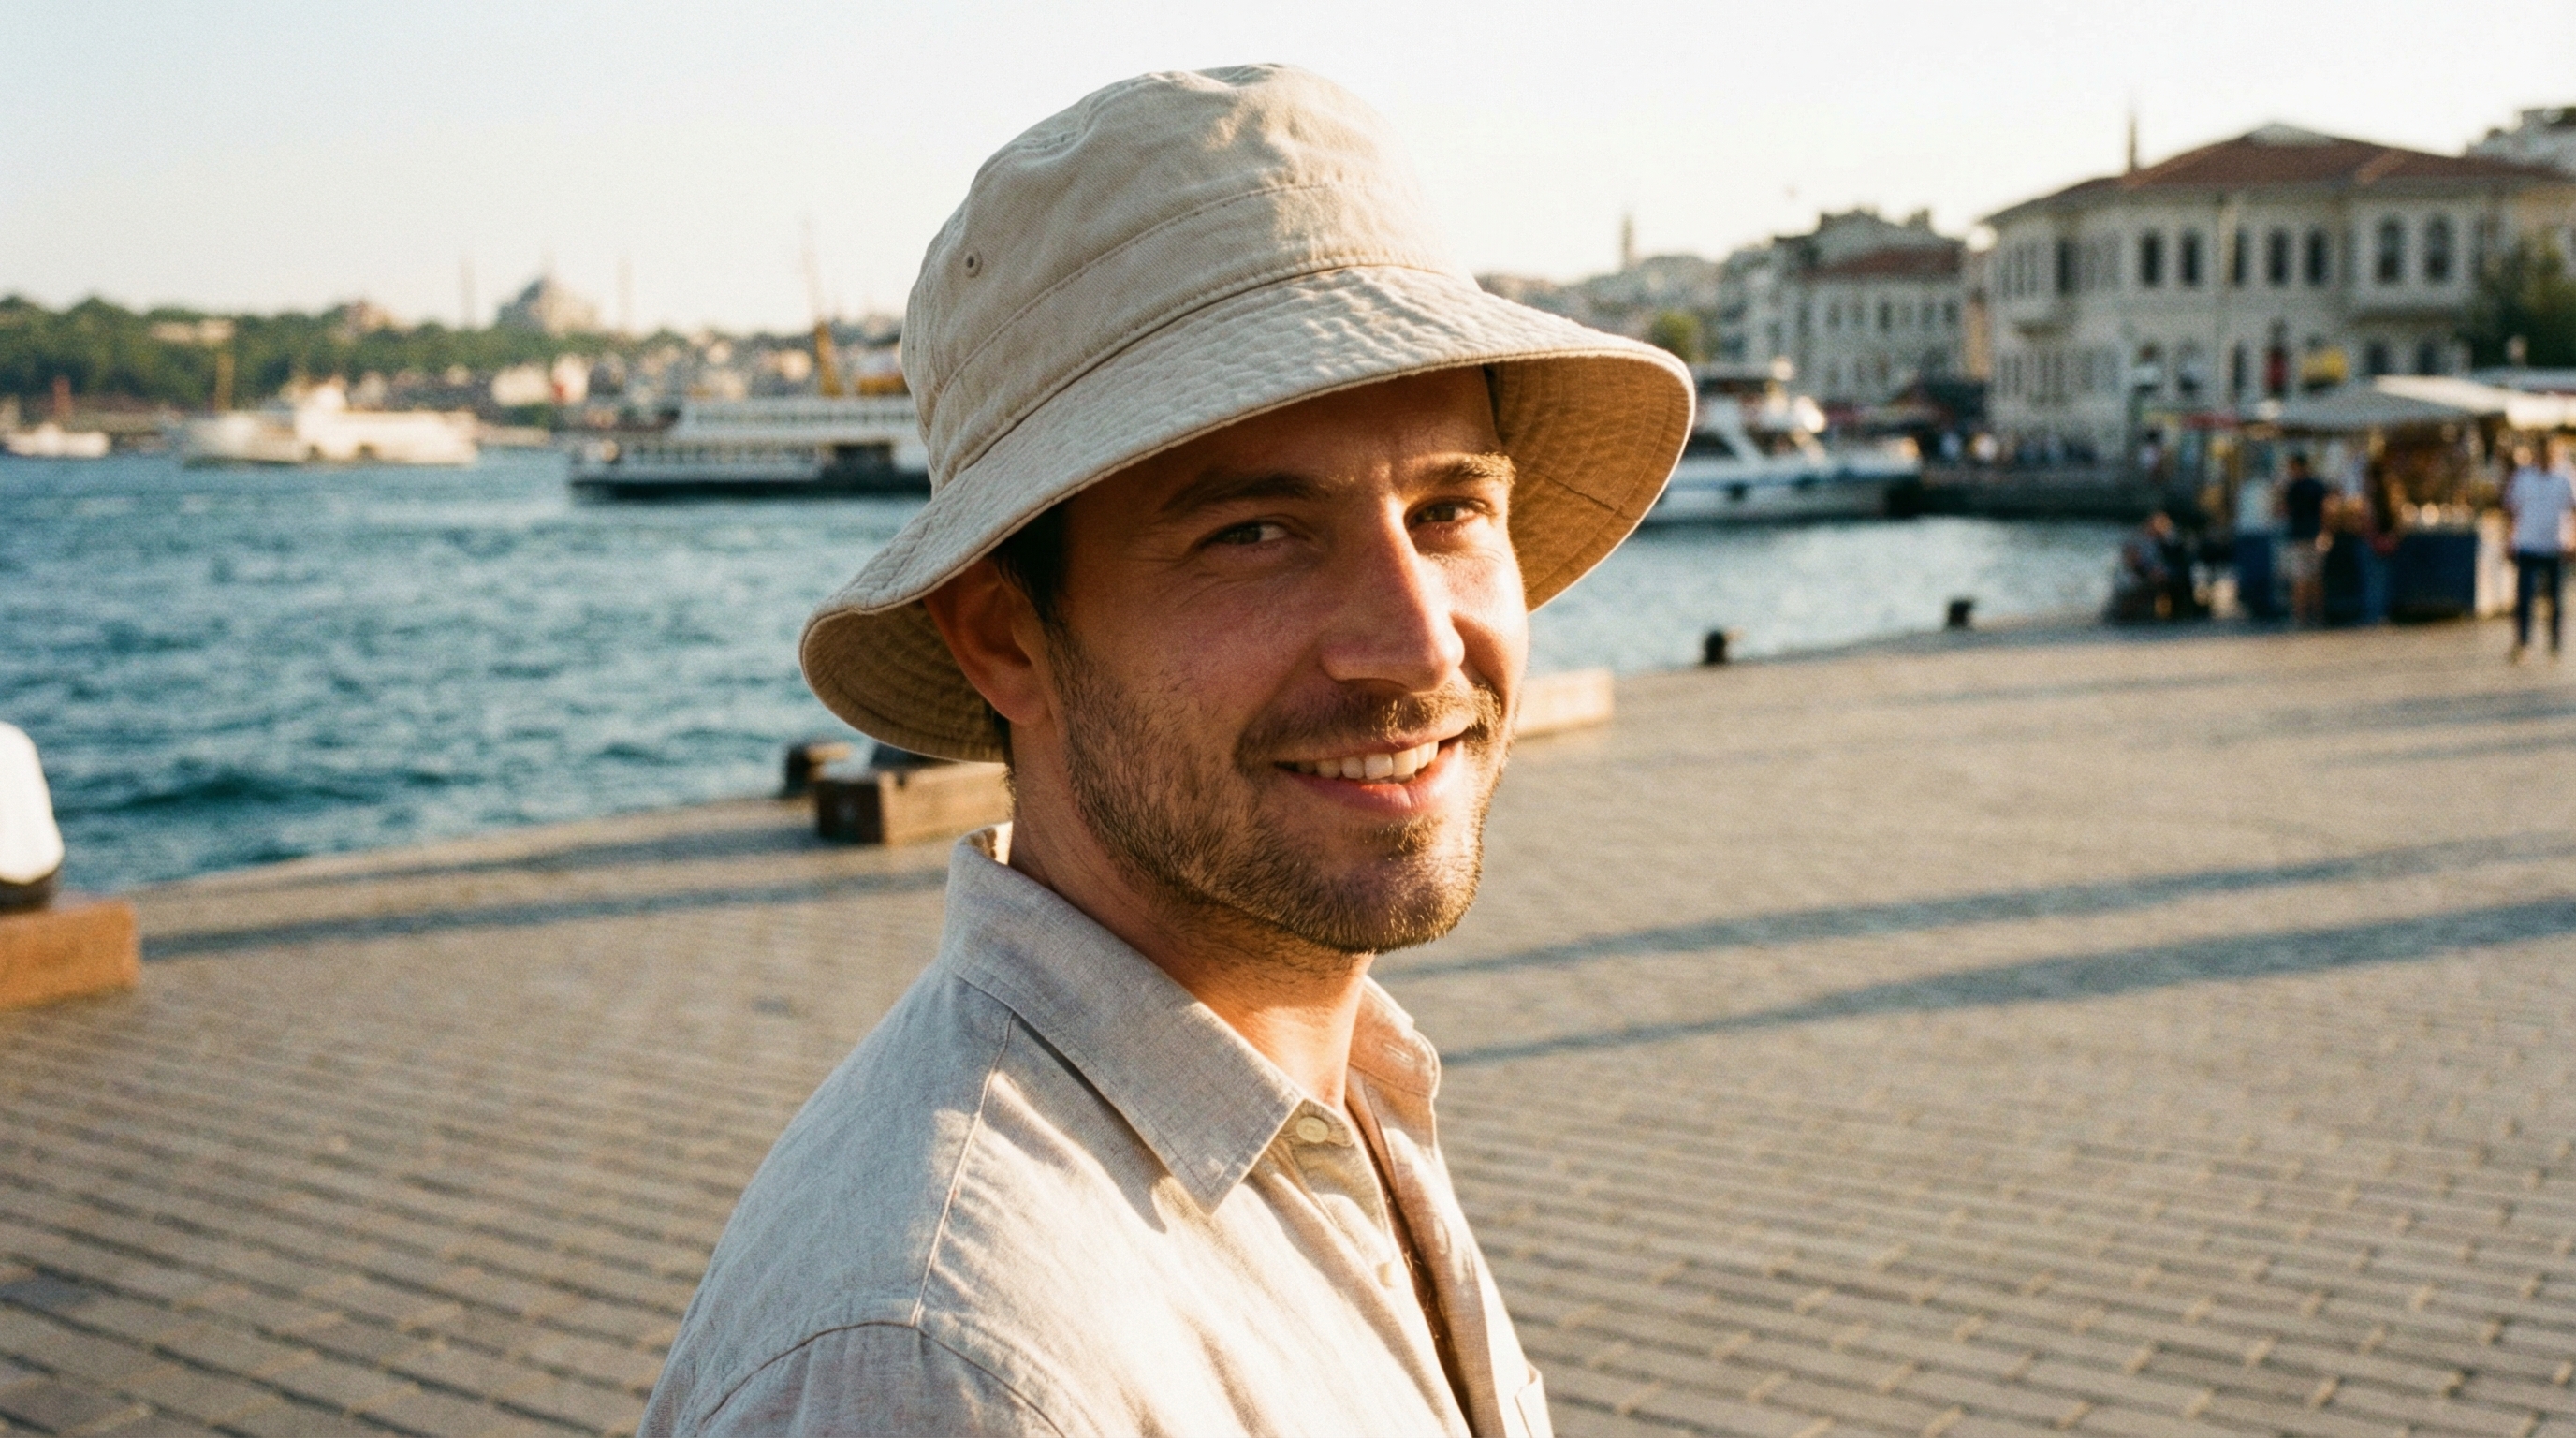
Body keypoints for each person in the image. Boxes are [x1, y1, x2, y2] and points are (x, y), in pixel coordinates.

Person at [639, 66, 1691, 1438]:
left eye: (1450, 509)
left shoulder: (1321, 1089)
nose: (1418, 645)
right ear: (1004, 638)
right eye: (1255, 531)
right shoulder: (947, 1365)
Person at [2503, 440, 2575, 662]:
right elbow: (2511, 509)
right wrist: (2509, 538)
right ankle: (2523, 643)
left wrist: (2572, 538)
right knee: (2524, 597)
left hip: (2555, 545)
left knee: (2555, 598)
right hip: (2528, 544)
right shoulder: (2523, 478)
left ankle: (2554, 644)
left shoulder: (2566, 477)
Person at [2277, 453, 2330, 625]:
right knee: (2316, 578)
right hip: (2316, 535)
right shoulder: (2318, 485)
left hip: (2298, 537)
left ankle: (2299, 617)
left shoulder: (2293, 487)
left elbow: (2281, 510)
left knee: (2299, 579)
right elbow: (2326, 510)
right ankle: (2318, 616)